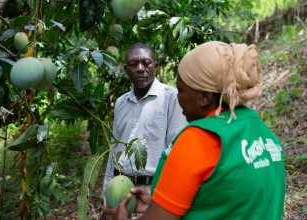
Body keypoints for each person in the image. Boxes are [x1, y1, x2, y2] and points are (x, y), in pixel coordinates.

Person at [104, 41, 286, 220]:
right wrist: (158, 206)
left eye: (181, 91)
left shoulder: (198, 140)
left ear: (205, 97)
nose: (179, 99)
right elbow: (226, 199)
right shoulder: (265, 134)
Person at [101, 43, 187, 219]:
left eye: (146, 63)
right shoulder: (121, 102)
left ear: (155, 66)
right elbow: (114, 150)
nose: (140, 68)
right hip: (118, 190)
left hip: (150, 192)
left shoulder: (171, 99)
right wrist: (105, 199)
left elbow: (175, 154)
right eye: (133, 64)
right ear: (126, 69)